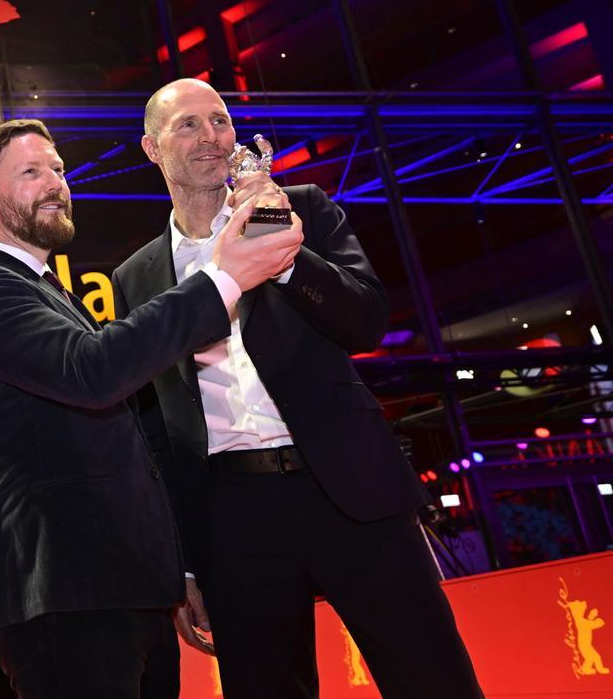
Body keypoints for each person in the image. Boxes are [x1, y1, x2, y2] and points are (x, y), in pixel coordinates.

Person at [112, 78, 484, 698]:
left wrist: (281, 249)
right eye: (188, 125)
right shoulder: (136, 275)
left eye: (221, 121)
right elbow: (154, 431)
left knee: (431, 675)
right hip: (232, 517)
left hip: (349, 489)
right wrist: (181, 561)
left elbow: (365, 320)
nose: (211, 137)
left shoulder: (301, 208)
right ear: (152, 148)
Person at [0, 118, 302, 698]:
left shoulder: (47, 291)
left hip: (125, 588)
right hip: (65, 591)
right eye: (30, 172)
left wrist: (171, 572)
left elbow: (125, 444)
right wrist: (222, 277)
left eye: (57, 168)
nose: (55, 183)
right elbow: (95, 371)